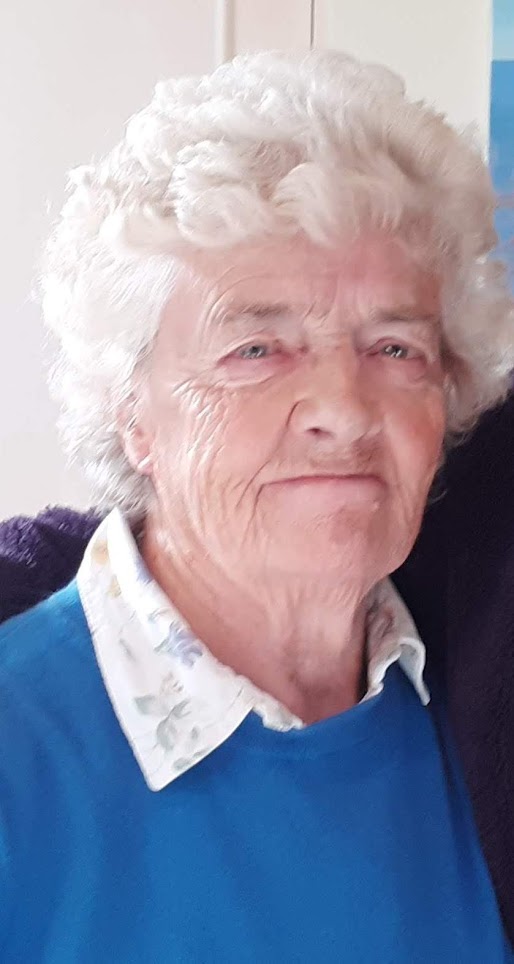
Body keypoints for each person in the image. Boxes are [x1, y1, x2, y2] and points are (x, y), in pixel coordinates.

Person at [0, 50, 513, 961]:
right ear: (133, 416)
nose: (344, 409)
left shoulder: (483, 721)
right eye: (257, 350)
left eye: (395, 348)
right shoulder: (21, 744)